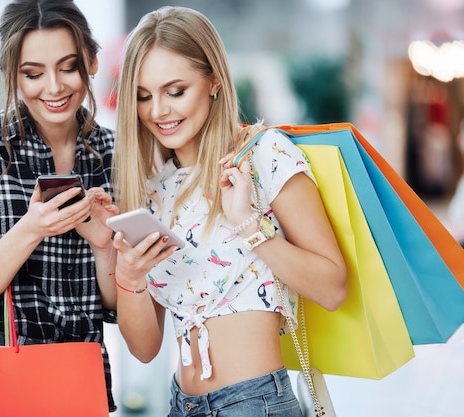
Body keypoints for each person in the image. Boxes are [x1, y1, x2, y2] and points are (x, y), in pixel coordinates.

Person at [110, 6, 347, 416]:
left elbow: (332, 288)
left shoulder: (263, 156)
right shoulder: (154, 190)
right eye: (143, 96)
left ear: (214, 80)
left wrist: (248, 224)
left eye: (176, 90)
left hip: (254, 402)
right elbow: (146, 349)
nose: (158, 111)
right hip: (180, 404)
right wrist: (128, 277)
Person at [0, 0, 118, 411]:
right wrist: (31, 229)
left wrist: (105, 246)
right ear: (11, 75)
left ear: (91, 61)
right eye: (32, 74)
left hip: (75, 384)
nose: (53, 88)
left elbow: (118, 308)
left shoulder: (114, 153)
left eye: (68, 67)